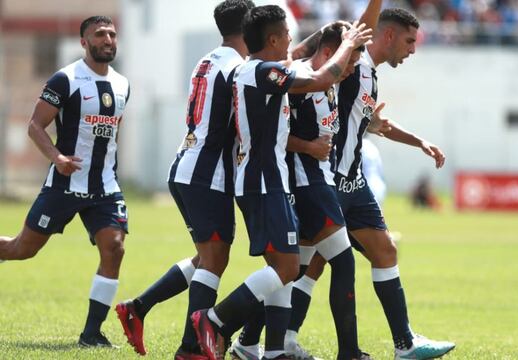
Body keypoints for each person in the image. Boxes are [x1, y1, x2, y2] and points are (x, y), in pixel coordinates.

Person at [190, 5, 372, 360]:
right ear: (272, 40)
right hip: (264, 181)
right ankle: (214, 321)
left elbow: (300, 57)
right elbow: (321, 78)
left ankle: (272, 350)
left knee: (285, 268)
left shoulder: (255, 69)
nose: (292, 40)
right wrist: (348, 43)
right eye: (286, 34)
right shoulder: (262, 72)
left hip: (268, 181)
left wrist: (326, 37)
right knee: (287, 269)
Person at [285, 7, 456, 360]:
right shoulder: (354, 63)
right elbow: (362, 24)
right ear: (387, 35)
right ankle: (264, 337)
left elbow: (374, 124)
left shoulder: (370, 75)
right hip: (328, 180)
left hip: (353, 181)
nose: (412, 49)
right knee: (306, 265)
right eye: (409, 41)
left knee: (383, 252)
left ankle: (404, 343)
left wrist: (419, 142)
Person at [114, 1, 255, 358]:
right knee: (214, 259)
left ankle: (138, 307)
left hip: (186, 166)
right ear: (250, 25)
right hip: (209, 174)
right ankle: (191, 348)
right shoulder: (240, 69)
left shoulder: (208, 60)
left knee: (205, 257)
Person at [0, 16, 130, 348]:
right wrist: (57, 158)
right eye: (100, 35)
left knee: (114, 248)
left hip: (104, 187)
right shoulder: (66, 79)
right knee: (21, 249)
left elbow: (109, 134)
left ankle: (92, 335)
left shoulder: (122, 84)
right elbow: (35, 126)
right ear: (84, 42)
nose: (108, 39)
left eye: (112, 34)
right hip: (64, 185)